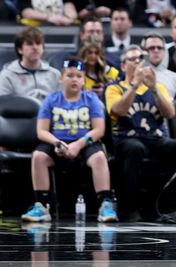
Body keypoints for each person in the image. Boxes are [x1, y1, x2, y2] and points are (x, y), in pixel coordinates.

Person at [21, 58, 118, 223]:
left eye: (79, 76)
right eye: (70, 75)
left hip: (85, 142)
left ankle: (105, 205)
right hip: (58, 142)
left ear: (83, 79)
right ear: (61, 78)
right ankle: (41, 206)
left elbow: (99, 129)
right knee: (38, 156)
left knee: (100, 157)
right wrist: (57, 143)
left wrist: (78, 144)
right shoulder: (51, 100)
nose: (74, 79)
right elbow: (41, 131)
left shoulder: (91, 99)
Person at [105, 46, 176, 221]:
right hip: (126, 139)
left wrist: (154, 89)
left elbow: (170, 114)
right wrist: (134, 85)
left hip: (154, 138)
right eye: (133, 59)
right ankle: (129, 208)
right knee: (135, 149)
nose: (138, 62)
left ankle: (166, 207)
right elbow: (118, 110)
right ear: (123, 65)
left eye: (141, 58)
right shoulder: (114, 88)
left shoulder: (157, 87)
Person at [0, 27, 60, 101]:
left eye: (38, 43)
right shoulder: (7, 76)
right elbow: (4, 105)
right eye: (30, 44)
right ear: (20, 50)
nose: (35, 47)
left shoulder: (55, 74)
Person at [141, 32, 176, 98]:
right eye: (151, 48)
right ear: (144, 51)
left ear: (165, 51)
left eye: (159, 48)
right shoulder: (136, 77)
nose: (156, 51)